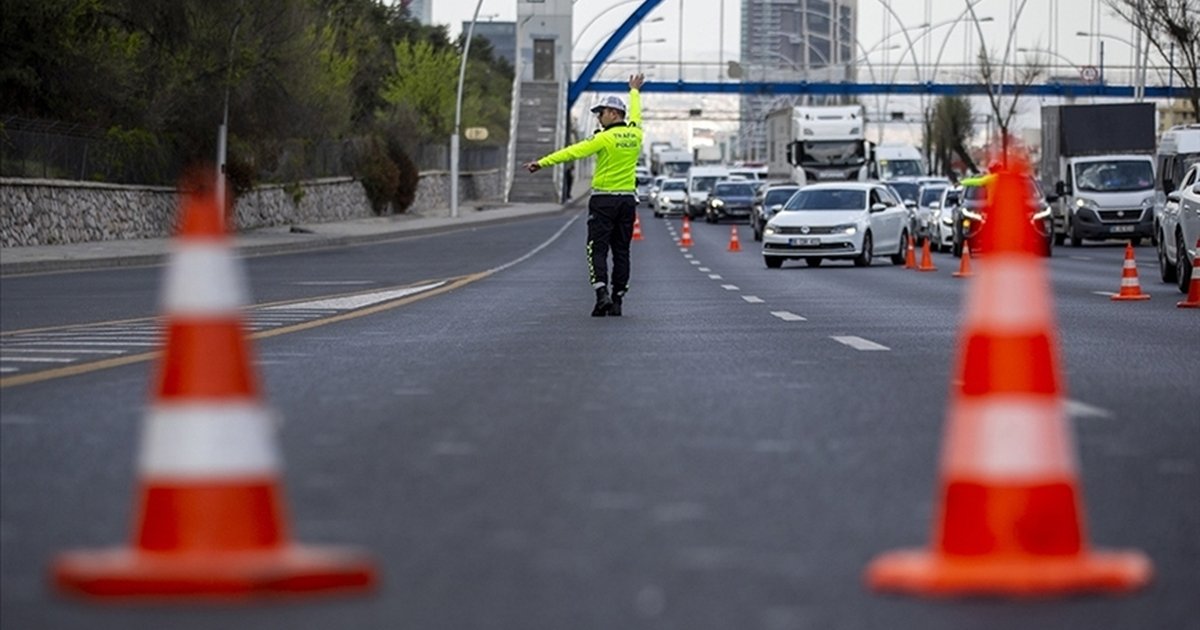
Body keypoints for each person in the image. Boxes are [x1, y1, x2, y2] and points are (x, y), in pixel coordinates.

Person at [524, 73, 645, 317]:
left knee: (596, 249)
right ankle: (619, 299)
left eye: (601, 113)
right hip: (627, 201)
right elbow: (637, 115)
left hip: (603, 201)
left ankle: (602, 295)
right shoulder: (636, 134)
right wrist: (634, 91)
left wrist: (542, 163)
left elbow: (572, 152)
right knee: (622, 251)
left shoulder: (603, 138)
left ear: (612, 113)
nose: (599, 119)